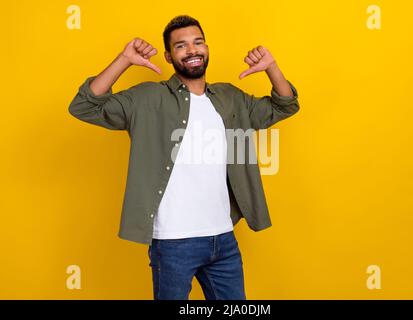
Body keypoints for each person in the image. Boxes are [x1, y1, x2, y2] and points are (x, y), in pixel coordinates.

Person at [68, 14, 300, 300]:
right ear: (168, 56)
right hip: (173, 243)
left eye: (198, 42)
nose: (192, 50)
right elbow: (84, 106)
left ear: (207, 48)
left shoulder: (230, 98)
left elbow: (284, 105)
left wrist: (272, 68)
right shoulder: (147, 98)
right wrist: (124, 59)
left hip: (223, 239)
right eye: (181, 46)